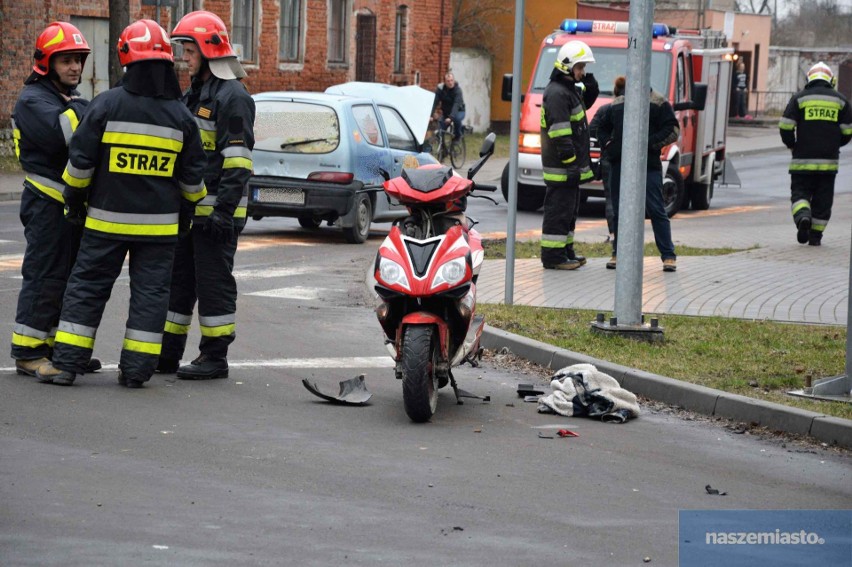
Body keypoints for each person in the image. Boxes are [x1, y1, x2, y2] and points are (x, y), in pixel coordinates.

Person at [35, 19, 208, 387]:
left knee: (87, 288)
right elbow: (194, 182)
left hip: (103, 224)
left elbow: (79, 164)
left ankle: (66, 364)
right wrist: (188, 210)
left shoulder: (105, 105)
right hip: (159, 231)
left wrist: (74, 201)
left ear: (126, 59)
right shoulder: (182, 117)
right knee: (150, 298)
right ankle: (136, 372)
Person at [157, 11, 256, 380]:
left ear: (209, 49)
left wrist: (223, 213)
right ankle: (168, 355)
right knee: (179, 283)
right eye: (183, 49)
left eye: (189, 49)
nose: (184, 57)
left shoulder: (233, 97)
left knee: (214, 285)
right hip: (191, 211)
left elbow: (237, 161)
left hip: (217, 214)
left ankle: (215, 357)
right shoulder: (195, 93)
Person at [9, 22, 103, 377]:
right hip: (46, 203)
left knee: (64, 278)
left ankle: (55, 348)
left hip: (65, 206)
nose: (75, 67)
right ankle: (29, 353)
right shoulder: (33, 100)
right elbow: (71, 136)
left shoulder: (64, 99)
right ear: (46, 63)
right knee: (44, 277)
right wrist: (88, 112)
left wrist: (84, 110)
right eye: (66, 61)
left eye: (79, 60)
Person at [596, 77, 679, 272]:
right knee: (618, 210)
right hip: (620, 163)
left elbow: (673, 130)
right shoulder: (618, 104)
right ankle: (618, 253)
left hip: (648, 165)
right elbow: (602, 127)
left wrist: (648, 144)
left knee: (656, 209)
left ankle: (668, 256)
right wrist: (608, 144)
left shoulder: (658, 103)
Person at [539, 40, 598, 270]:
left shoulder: (567, 90)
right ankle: (553, 258)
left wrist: (590, 90)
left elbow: (580, 113)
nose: (582, 72)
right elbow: (560, 134)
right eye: (580, 67)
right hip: (561, 168)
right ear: (567, 66)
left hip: (568, 169)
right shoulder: (557, 93)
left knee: (568, 213)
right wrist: (572, 164)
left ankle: (565, 251)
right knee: (558, 212)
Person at [779, 62, 852, 246]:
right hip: (828, 164)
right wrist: (835, 144)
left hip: (801, 162)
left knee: (800, 194)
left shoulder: (799, 98)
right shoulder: (841, 101)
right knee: (823, 201)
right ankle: (815, 237)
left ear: (809, 79)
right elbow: (848, 132)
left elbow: (785, 126)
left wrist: (792, 145)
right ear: (831, 80)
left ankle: (803, 216)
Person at [588, 76, 626, 241]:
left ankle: (614, 234)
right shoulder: (635, 111)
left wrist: (607, 142)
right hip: (629, 162)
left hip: (608, 159)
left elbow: (592, 130)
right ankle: (625, 235)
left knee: (611, 198)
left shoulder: (606, 109)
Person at [432, 72, 466, 141]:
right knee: (440, 131)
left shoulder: (457, 90)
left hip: (458, 111)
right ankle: (442, 148)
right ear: (444, 82)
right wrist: (431, 115)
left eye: (451, 80)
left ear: (454, 80)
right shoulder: (440, 90)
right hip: (446, 113)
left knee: (456, 119)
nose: (450, 83)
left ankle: (458, 136)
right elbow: (435, 102)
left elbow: (456, 105)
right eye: (448, 81)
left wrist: (451, 117)